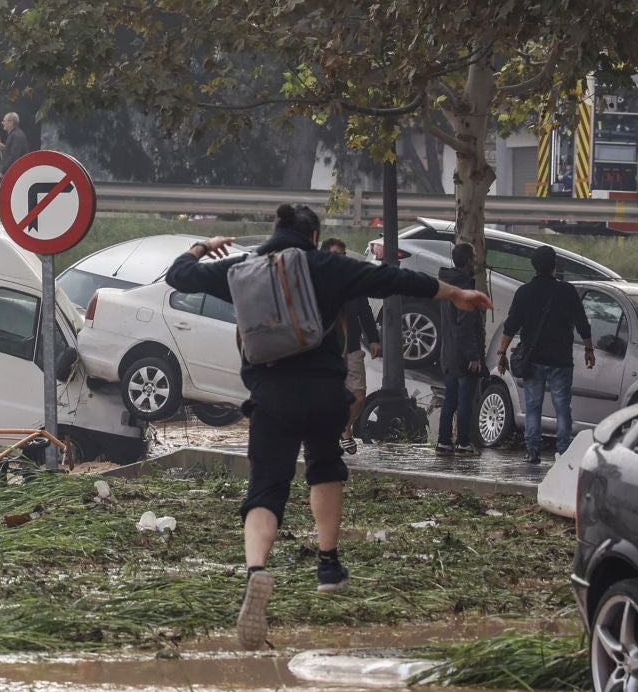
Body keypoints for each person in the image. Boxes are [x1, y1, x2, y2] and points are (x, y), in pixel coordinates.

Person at [169, 204, 491, 649]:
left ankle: (256, 569)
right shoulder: (327, 265)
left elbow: (179, 275)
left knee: (266, 487)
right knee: (325, 466)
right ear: (314, 237)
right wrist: (454, 295)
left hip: (270, 394)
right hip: (323, 392)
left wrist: (204, 245)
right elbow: (392, 279)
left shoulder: (241, 269)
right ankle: (328, 563)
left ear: (274, 231)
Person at [496, 246, 594, 465]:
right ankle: (563, 451)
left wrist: (501, 353)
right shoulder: (567, 291)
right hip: (561, 359)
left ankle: (532, 451)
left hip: (534, 359)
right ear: (554, 265)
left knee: (533, 407)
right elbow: (582, 323)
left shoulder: (524, 292)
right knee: (562, 407)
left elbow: (511, 326)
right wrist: (589, 349)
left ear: (534, 265)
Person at [319, 238, 379, 453]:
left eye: (342, 255)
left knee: (359, 394)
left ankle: (344, 427)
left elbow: (364, 311)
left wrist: (373, 338)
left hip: (352, 346)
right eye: (335, 254)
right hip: (327, 350)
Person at [435, 242, 486, 454]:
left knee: (450, 399)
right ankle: (463, 442)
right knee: (465, 401)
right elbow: (465, 326)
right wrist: (474, 356)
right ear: (467, 262)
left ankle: (443, 441)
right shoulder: (465, 289)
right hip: (464, 355)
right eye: (474, 257)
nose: (476, 261)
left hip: (448, 352)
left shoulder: (447, 285)